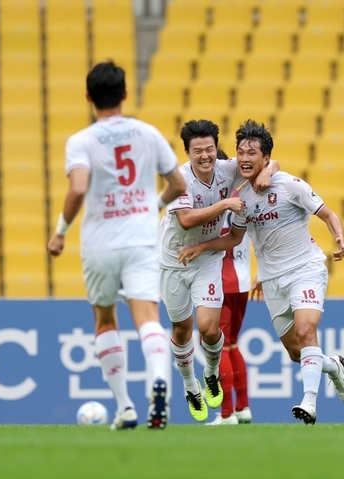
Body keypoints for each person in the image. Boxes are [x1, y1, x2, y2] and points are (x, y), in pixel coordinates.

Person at [178, 120, 344, 425]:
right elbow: (233, 238)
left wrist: (339, 237)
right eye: (240, 152)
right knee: (297, 353)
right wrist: (202, 247)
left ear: (266, 159)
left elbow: (328, 214)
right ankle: (334, 366)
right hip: (272, 279)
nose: (244, 158)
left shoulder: (289, 185)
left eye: (252, 153)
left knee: (305, 331)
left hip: (305, 269)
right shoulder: (241, 198)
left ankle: (309, 403)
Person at [47, 61, 186, 430]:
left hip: (100, 242)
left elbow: (77, 188)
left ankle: (125, 406)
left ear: (89, 98)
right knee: (148, 318)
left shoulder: (82, 141)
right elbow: (178, 185)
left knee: (105, 319)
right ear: (125, 94)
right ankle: (159, 381)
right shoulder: (148, 133)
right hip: (140, 237)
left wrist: (60, 230)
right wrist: (150, 207)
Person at [159, 120, 277, 422]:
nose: (205, 156)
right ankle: (190, 385)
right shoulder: (179, 180)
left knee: (211, 329)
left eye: (209, 149)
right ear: (187, 152)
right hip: (174, 259)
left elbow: (268, 160)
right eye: (197, 151)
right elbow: (185, 220)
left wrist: (269, 171)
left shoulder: (227, 168)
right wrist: (226, 203)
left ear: (216, 149)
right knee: (183, 330)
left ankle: (210, 374)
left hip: (207, 260)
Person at [206, 149, 253, 426]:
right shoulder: (244, 197)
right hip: (243, 279)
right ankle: (243, 407)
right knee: (232, 344)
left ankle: (226, 413)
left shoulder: (212, 201)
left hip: (219, 282)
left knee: (217, 348)